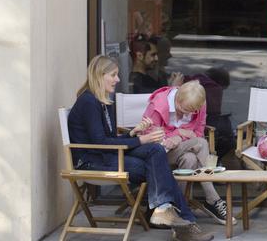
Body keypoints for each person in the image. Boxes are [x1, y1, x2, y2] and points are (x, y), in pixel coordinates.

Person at [67, 55, 213, 241]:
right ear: (99, 75)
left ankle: (163, 210)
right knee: (155, 166)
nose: (118, 79)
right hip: (92, 162)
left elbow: (108, 140)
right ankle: (179, 220)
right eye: (113, 75)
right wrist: (141, 140)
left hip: (106, 155)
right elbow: (102, 143)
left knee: (156, 151)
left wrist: (132, 133)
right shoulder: (88, 102)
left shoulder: (103, 101)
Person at [138, 80, 234, 225]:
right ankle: (213, 199)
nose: (187, 114)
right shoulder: (157, 105)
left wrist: (179, 136)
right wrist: (177, 134)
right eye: (183, 109)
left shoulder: (198, 105)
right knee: (202, 143)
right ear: (177, 99)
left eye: (192, 111)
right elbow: (149, 139)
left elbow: (198, 132)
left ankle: (178, 207)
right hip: (157, 154)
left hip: (183, 149)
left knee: (190, 159)